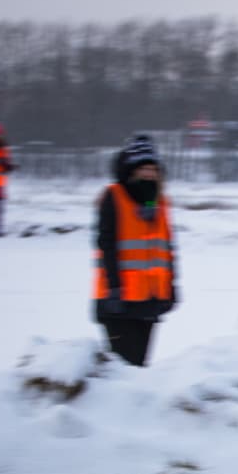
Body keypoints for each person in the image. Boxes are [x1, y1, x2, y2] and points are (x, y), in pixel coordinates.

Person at [91, 135, 179, 367]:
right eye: (143, 168)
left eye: (153, 169)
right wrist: (114, 289)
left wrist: (171, 287)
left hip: (150, 301)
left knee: (138, 368)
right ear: (131, 170)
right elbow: (106, 246)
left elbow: (167, 249)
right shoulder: (114, 197)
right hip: (119, 302)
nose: (149, 174)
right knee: (124, 370)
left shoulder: (159, 203)